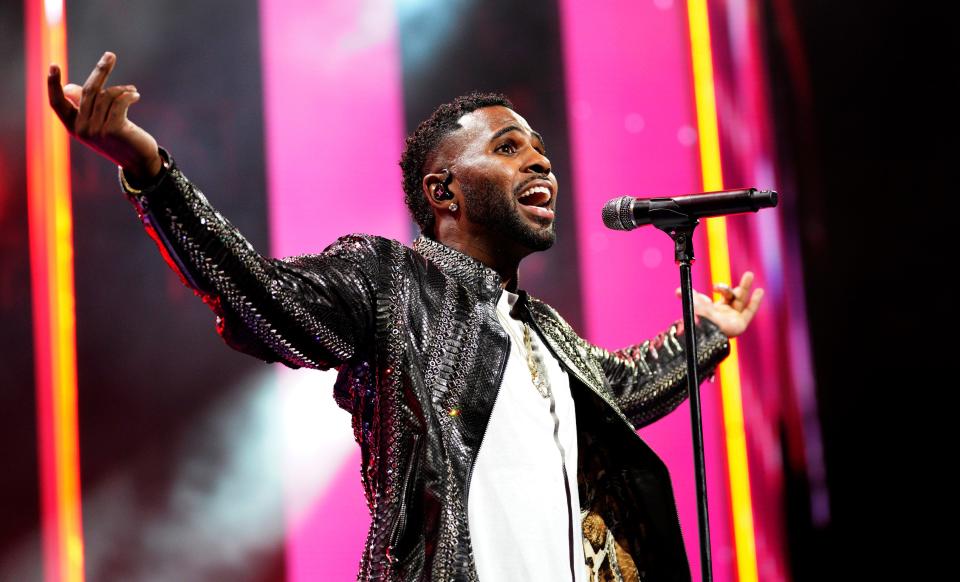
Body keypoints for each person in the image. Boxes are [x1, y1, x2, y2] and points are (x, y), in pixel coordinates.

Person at [48, 52, 764, 582]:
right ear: (443, 189)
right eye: (510, 148)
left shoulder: (541, 329)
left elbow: (619, 390)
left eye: (542, 151)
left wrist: (705, 336)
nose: (540, 164)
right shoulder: (391, 280)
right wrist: (151, 175)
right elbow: (260, 297)